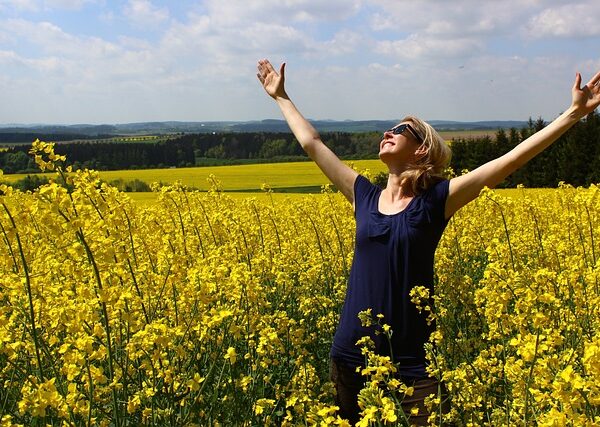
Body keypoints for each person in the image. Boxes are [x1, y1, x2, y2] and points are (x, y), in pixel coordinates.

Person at [256, 58, 600, 425]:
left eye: (400, 129)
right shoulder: (363, 197)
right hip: (350, 355)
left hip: (413, 363)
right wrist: (281, 96)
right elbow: (312, 142)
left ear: (422, 149)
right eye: (387, 129)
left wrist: (573, 114)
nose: (387, 133)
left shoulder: (436, 201)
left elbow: (509, 160)